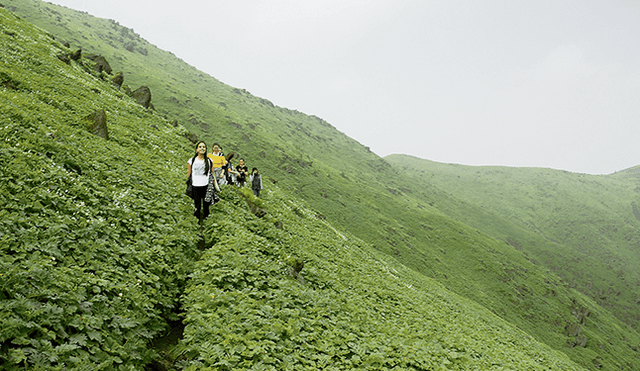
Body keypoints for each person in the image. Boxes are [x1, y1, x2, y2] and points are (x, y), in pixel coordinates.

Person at [187, 141, 213, 220]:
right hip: (195, 185)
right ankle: (197, 218)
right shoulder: (192, 160)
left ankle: (206, 217)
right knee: (197, 203)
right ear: (196, 149)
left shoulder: (209, 161)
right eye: (200, 147)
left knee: (206, 203)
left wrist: (214, 184)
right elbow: (189, 173)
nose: (202, 148)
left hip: (206, 185)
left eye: (204, 147)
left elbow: (212, 173)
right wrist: (188, 183)